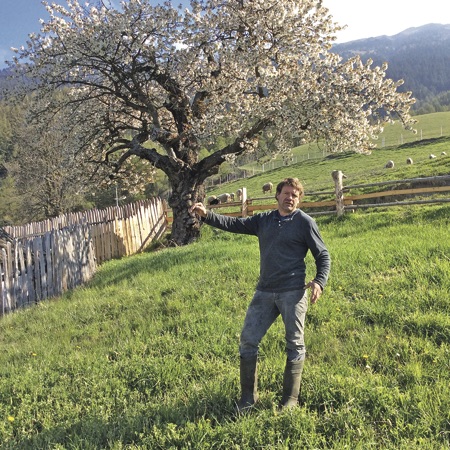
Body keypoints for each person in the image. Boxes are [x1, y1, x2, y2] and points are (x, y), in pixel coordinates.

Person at [189, 177, 331, 410]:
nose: (290, 198)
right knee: (248, 340)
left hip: (292, 293)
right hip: (264, 292)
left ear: (299, 199)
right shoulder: (264, 220)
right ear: (277, 195)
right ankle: (247, 399)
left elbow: (323, 255)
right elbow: (235, 224)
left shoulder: (305, 223)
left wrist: (319, 282)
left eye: (295, 195)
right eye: (286, 193)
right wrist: (207, 215)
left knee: (294, 344)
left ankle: (290, 401)